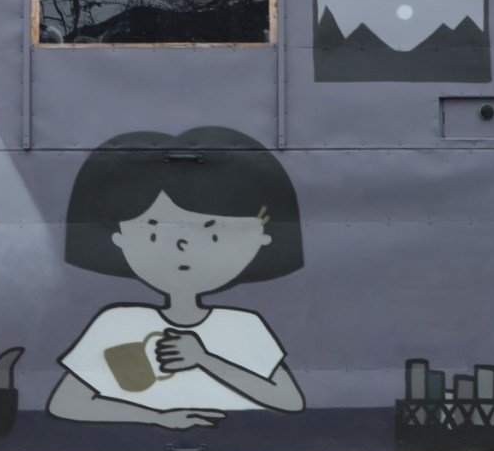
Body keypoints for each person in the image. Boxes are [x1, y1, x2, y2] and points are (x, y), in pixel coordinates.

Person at [47, 127, 305, 430]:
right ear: (118, 238)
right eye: (153, 232)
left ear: (262, 238)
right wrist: (157, 419)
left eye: (211, 233)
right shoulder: (117, 324)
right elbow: (66, 403)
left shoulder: (244, 326)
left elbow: (289, 400)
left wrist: (204, 359)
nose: (182, 246)